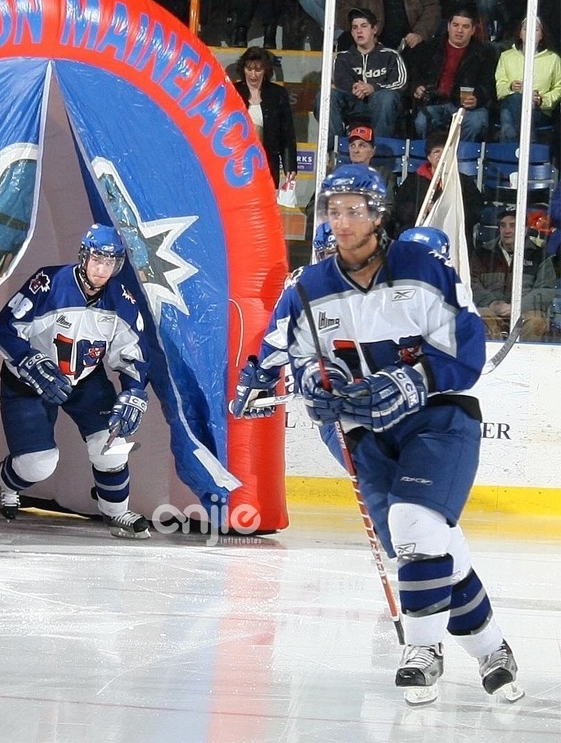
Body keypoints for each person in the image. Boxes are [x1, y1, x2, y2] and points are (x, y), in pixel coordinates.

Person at [231, 164, 523, 706]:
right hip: (367, 434)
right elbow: (294, 354)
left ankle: (422, 650)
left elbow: (466, 345)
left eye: (354, 210)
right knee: (431, 549)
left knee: (415, 526)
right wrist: (310, 388)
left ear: (378, 214)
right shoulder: (309, 288)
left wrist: (415, 380)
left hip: (438, 419)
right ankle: (492, 651)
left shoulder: (422, 268)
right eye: (333, 211)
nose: (342, 222)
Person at [0, 224, 151, 539]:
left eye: (110, 263)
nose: (102, 269)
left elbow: (132, 355)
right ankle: (7, 482)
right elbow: (4, 329)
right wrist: (29, 361)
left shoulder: (122, 300)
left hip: (86, 380)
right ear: (84, 256)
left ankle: (116, 513)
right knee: (38, 465)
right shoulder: (48, 283)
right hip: (28, 381)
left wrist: (134, 390)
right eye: (97, 260)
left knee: (112, 448)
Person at [314, 7, 407, 149]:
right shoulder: (342, 57)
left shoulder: (390, 55)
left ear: (374, 29)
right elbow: (340, 82)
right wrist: (357, 88)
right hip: (353, 102)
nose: (359, 31)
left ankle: (380, 150)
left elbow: (400, 82)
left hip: (382, 105)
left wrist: (373, 88)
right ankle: (333, 149)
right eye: (354, 28)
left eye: (364, 26)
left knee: (386, 98)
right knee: (325, 96)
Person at [410, 3, 497, 141]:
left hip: (466, 108)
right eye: (455, 25)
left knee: (476, 122)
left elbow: (489, 84)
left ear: (473, 30)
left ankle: (461, 158)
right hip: (434, 102)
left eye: (465, 26)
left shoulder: (485, 53)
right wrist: (417, 87)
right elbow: (416, 76)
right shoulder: (430, 48)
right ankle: (432, 157)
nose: (459, 30)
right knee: (421, 121)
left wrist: (477, 97)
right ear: (448, 26)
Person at [470, 207, 557, 340]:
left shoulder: (540, 255)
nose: (507, 230)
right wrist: (492, 303)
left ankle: (527, 360)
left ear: (525, 229)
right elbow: (472, 283)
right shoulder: (482, 253)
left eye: (513, 225)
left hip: (525, 310)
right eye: (503, 225)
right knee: (479, 319)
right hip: (491, 309)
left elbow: (545, 290)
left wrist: (517, 306)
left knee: (535, 322)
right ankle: (488, 360)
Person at [394, 130, 484, 242]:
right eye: (437, 151)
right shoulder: (413, 180)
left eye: (447, 151)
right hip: (418, 237)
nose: (442, 155)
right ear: (429, 157)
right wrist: (423, 208)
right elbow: (400, 209)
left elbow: (476, 211)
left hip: (452, 238)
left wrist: (448, 212)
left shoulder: (465, 182)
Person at [234, 46, 297, 188]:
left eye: (258, 70)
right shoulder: (233, 91)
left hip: (267, 163)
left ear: (266, 70)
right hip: (237, 162)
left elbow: (287, 134)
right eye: (249, 69)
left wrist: (289, 166)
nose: (253, 75)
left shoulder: (278, 94)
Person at [495, 16, 561, 143]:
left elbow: (558, 88)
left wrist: (541, 100)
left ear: (542, 35)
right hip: (510, 103)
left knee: (507, 119)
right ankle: (530, 144)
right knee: (514, 100)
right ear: (520, 33)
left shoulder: (553, 59)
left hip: (538, 111)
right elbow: (500, 86)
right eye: (526, 29)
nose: (530, 32)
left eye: (535, 29)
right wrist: (511, 87)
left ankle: (511, 156)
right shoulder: (506, 57)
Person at [334, 0, 442, 68]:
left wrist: (419, 34)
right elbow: (344, 11)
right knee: (346, 42)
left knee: (429, 52)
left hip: (409, 41)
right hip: (373, 39)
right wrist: (367, 31)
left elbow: (432, 8)